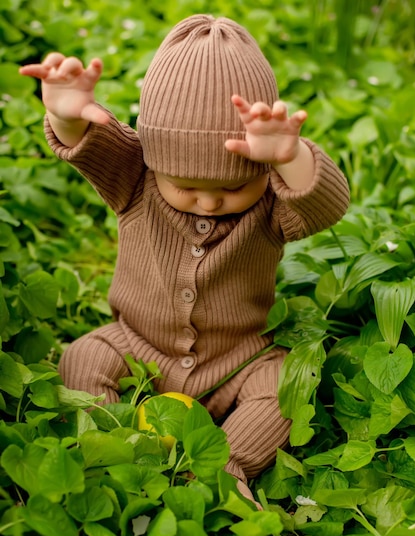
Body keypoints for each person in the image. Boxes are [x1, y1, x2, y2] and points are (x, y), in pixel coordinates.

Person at [20, 14, 350, 505]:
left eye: (234, 186)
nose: (209, 202)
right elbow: (85, 145)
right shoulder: (133, 176)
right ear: (153, 159)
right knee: (84, 357)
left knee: (286, 387)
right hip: (138, 346)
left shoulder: (274, 205)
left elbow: (326, 203)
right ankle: (121, 448)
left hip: (237, 359)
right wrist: (68, 114)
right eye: (185, 187)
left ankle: (223, 465)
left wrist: (291, 157)